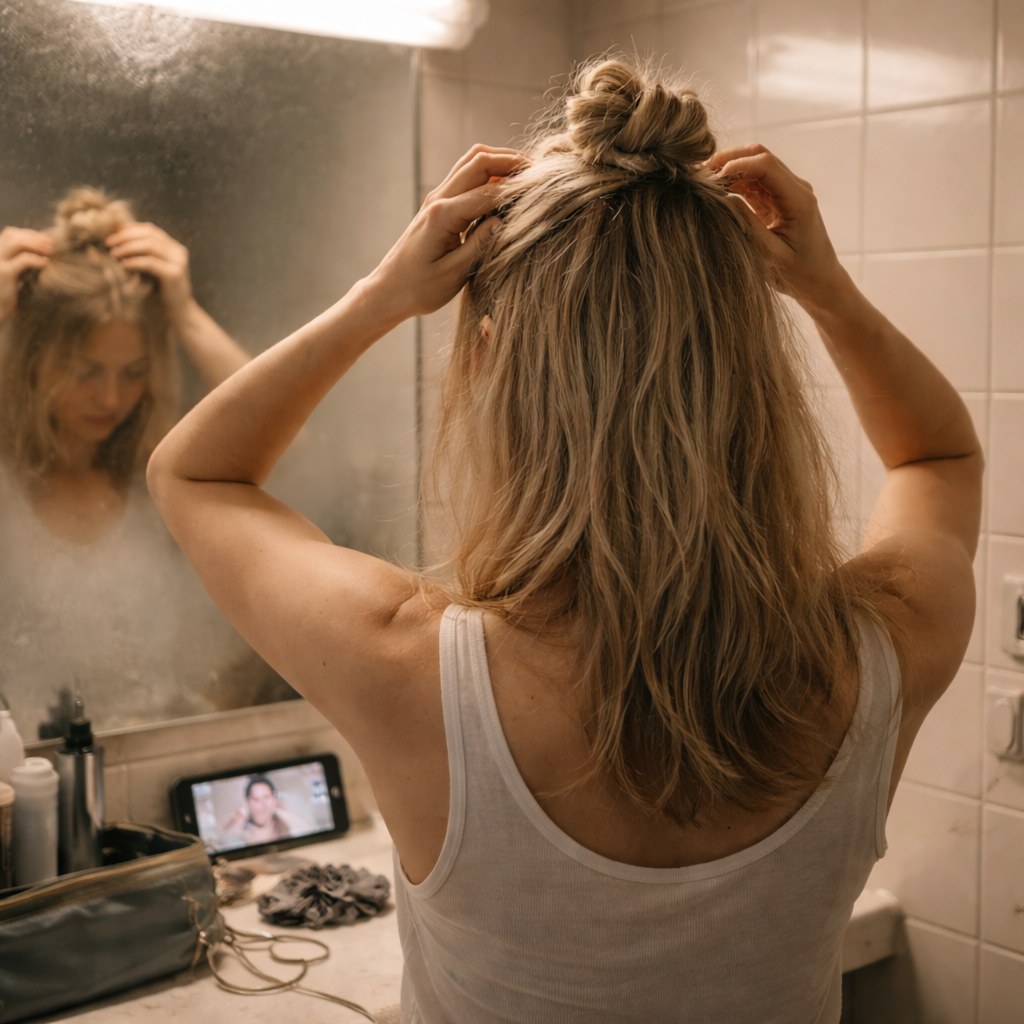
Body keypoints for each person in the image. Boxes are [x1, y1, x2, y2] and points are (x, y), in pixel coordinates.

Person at [147, 59, 981, 1023]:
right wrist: (826, 289)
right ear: (748, 357)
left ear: (500, 357)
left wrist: (380, 295)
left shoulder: (407, 668)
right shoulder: (887, 646)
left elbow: (196, 474)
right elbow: (940, 455)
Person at [0, 189, 266, 734]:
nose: (112, 399)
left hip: (160, 768)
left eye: (133, 371)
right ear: (33, 361)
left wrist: (185, 315)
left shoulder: (158, 475)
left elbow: (286, 436)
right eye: (86, 370)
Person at [219, 774, 312, 846]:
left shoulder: (288, 828)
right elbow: (222, 838)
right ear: (248, 803)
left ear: (274, 799)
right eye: (256, 799)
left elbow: (307, 831)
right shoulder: (241, 835)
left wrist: (278, 809)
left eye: (266, 797)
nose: (262, 805)